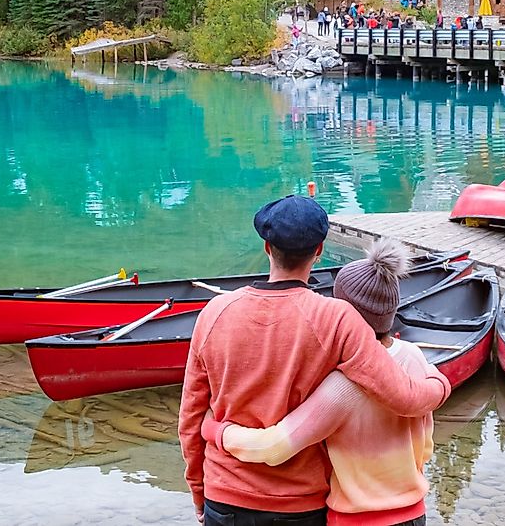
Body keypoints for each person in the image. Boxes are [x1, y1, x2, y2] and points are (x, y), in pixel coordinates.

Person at [179, 197, 450, 526]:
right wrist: (441, 383)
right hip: (300, 505)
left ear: (267, 247)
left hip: (224, 496)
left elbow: (191, 417)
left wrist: (198, 490)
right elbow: (402, 396)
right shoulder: (336, 319)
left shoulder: (213, 314)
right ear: (319, 250)